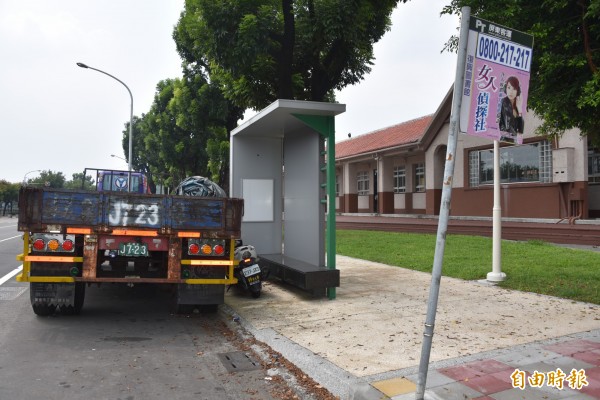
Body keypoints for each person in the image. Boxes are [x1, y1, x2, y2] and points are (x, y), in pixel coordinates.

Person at [497, 76, 524, 142]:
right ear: (505, 89)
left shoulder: (517, 104)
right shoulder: (504, 102)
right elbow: (507, 127)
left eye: (514, 89)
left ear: (518, 91)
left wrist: (520, 109)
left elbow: (521, 130)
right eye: (509, 88)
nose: (511, 91)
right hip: (505, 139)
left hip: (512, 139)